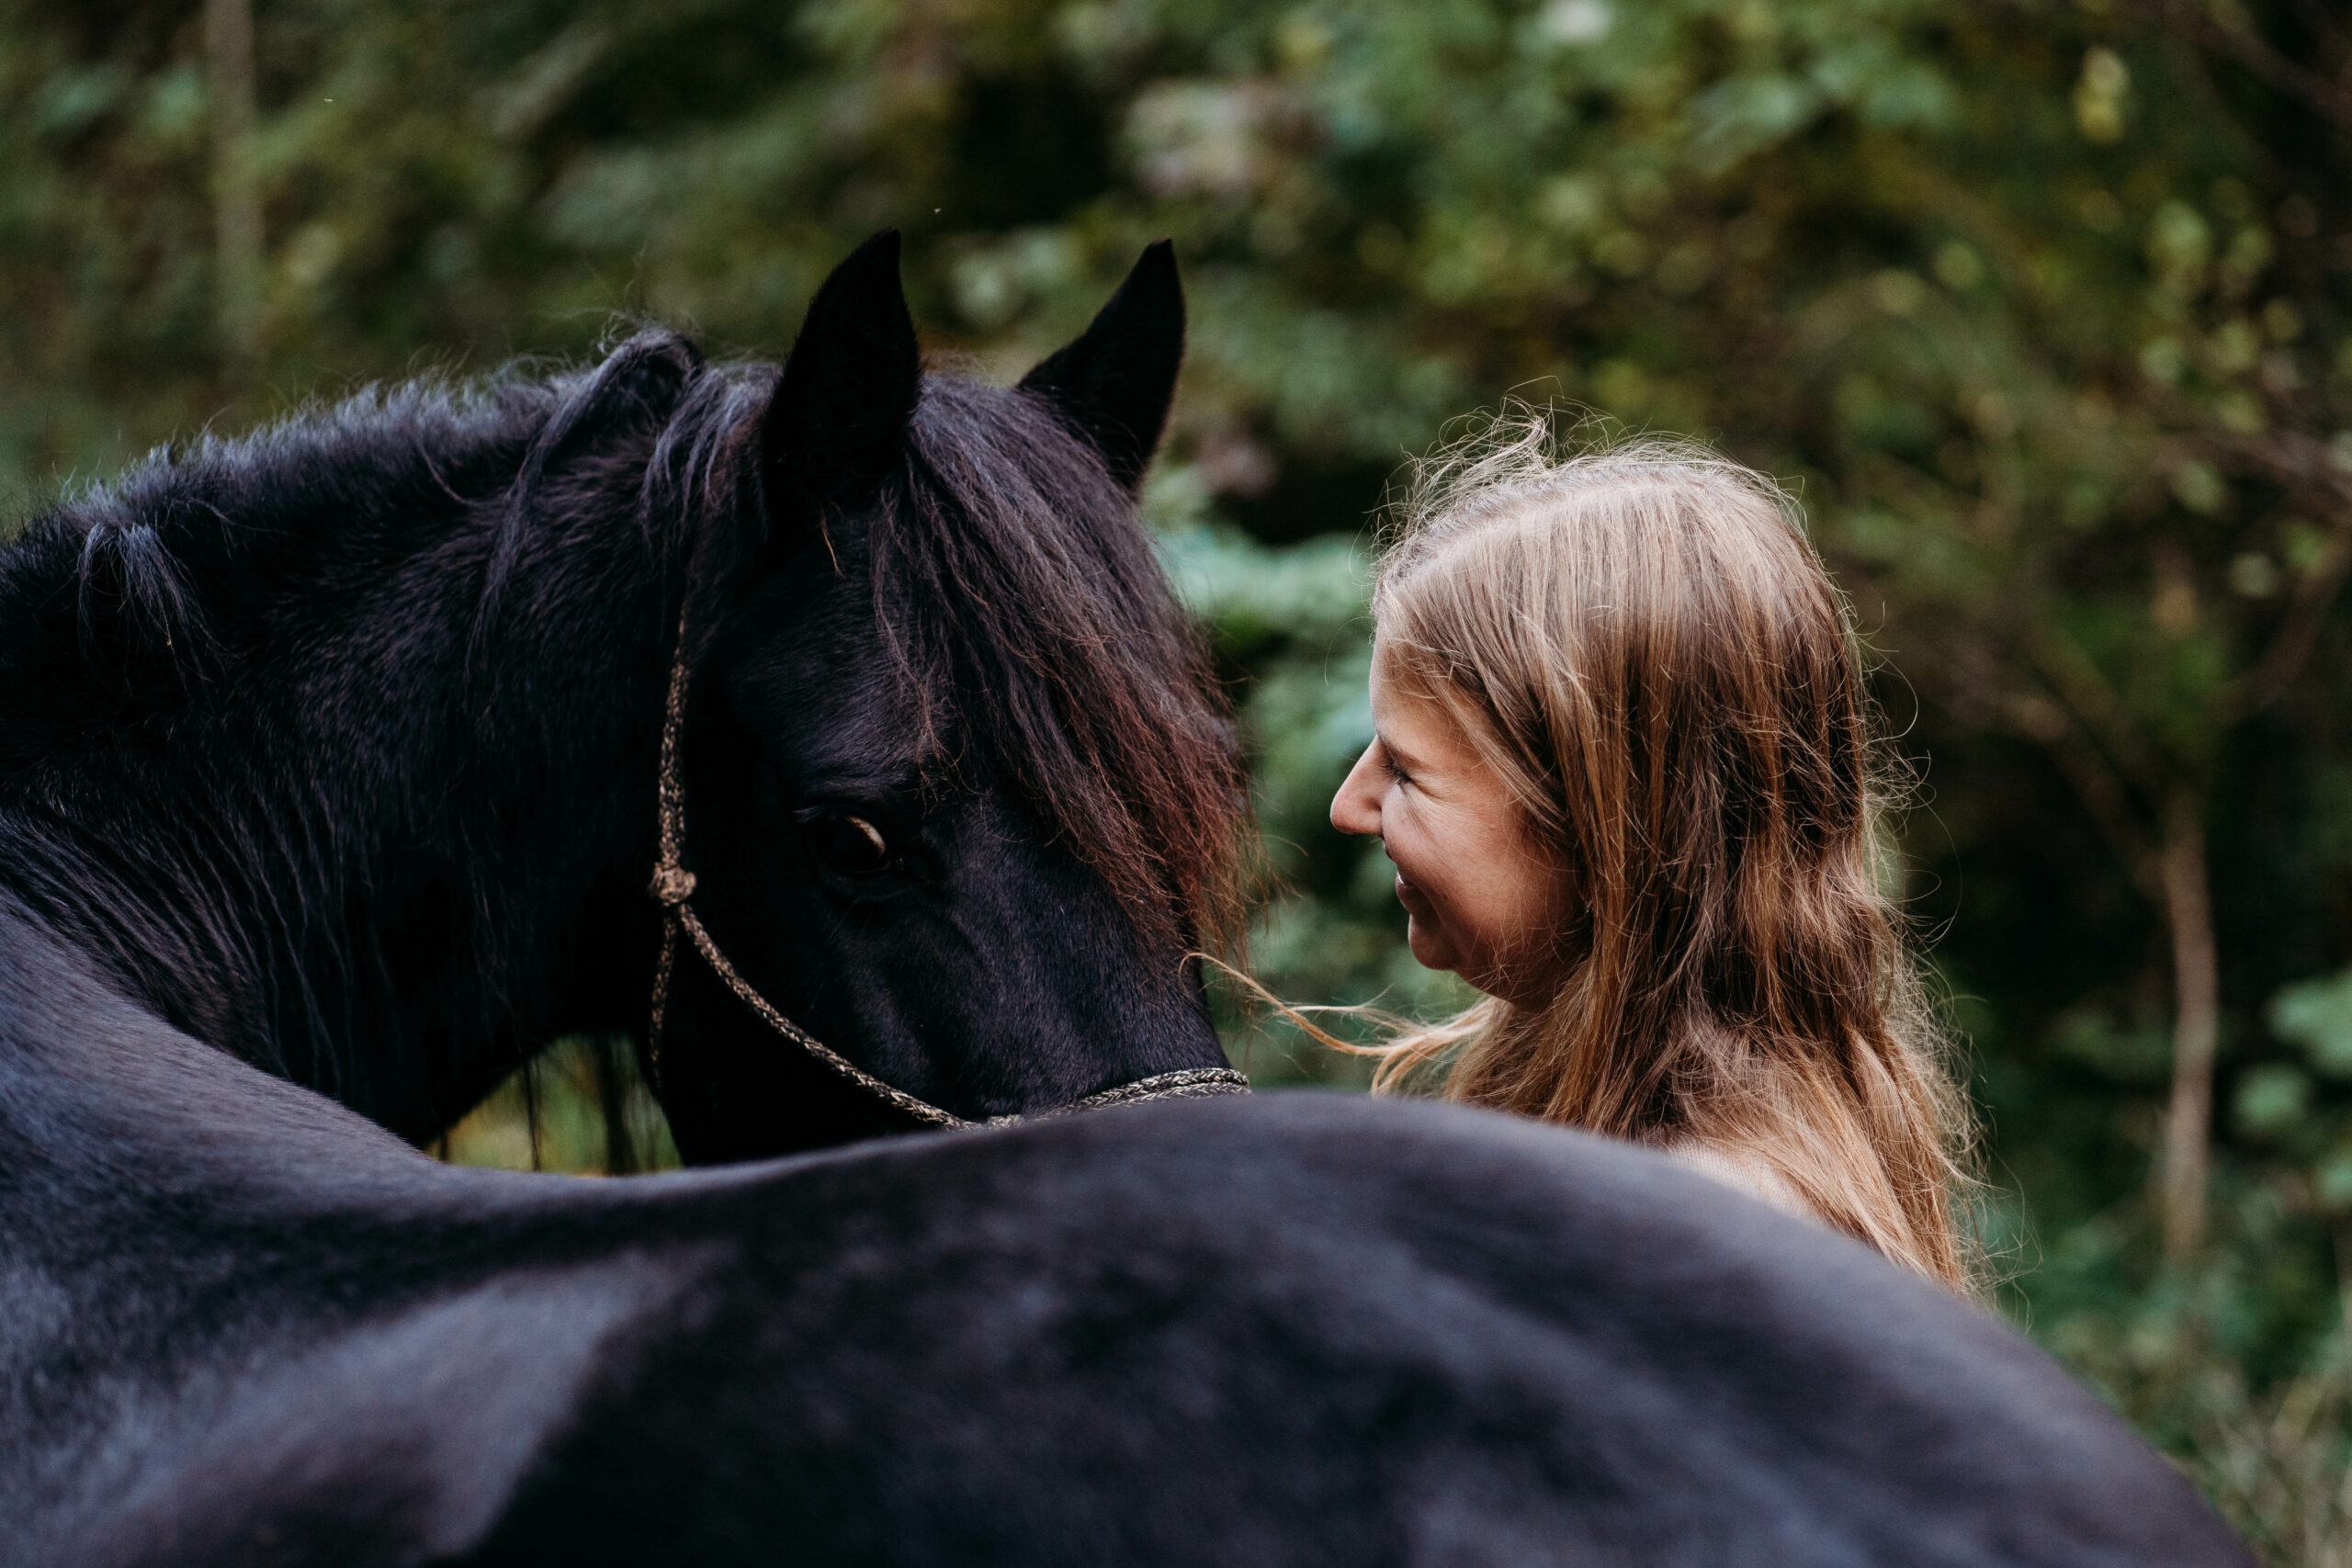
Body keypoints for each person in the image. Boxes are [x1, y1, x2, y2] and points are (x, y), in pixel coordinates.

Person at [1325, 414, 1978, 1291]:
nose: (1348, 806)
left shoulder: (1682, 1237)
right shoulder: (1656, 1136)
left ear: (1596, 819)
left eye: (1404, 767)